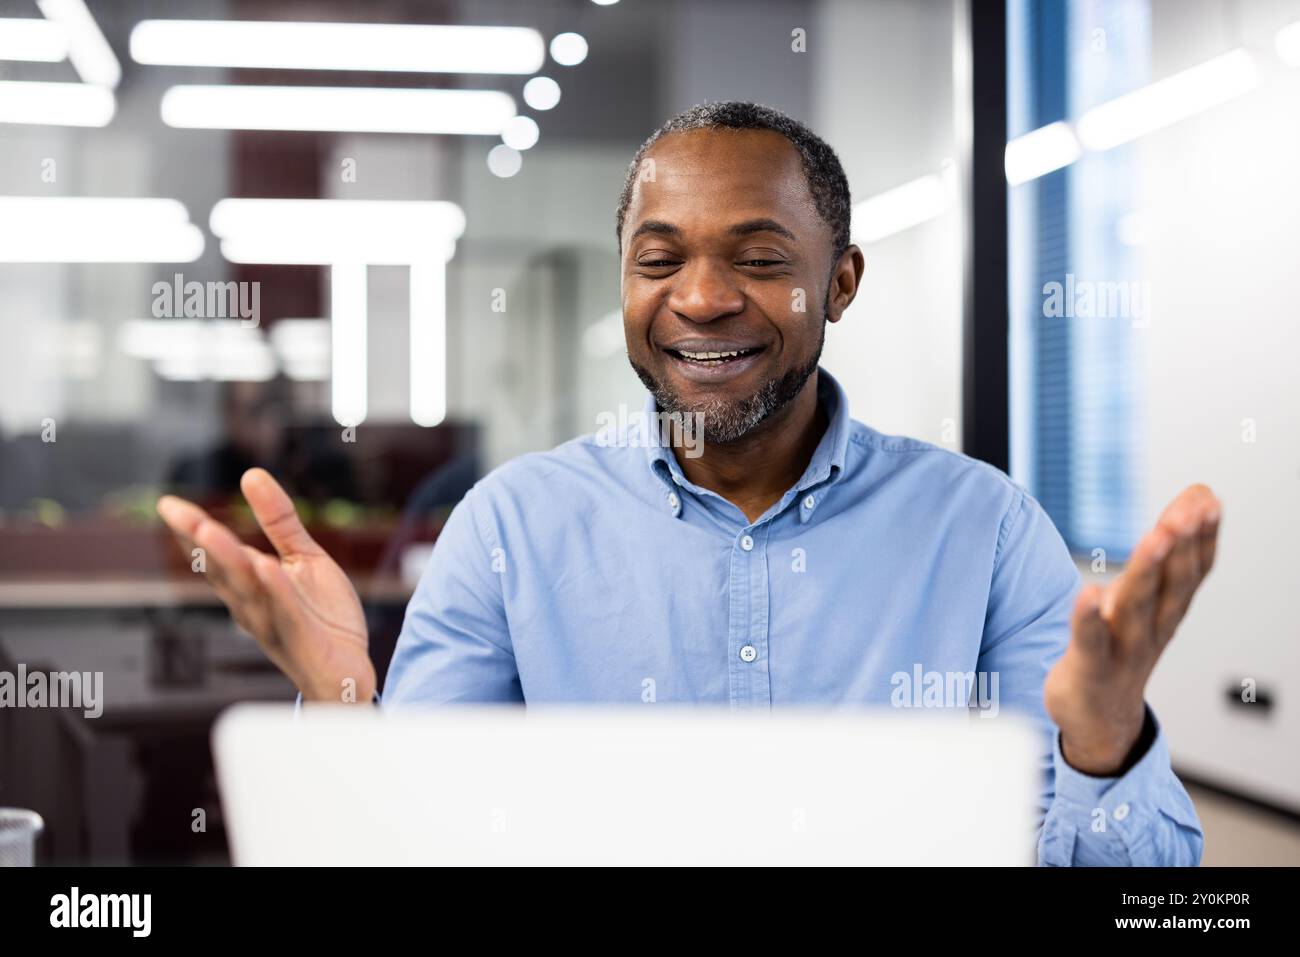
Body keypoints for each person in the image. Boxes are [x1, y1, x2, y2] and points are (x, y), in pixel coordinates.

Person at [157, 102, 1219, 866]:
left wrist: (1102, 744)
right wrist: (346, 710)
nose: (700, 298)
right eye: (658, 260)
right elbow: (410, 854)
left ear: (838, 282)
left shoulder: (982, 530)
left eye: (758, 258)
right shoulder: (511, 530)